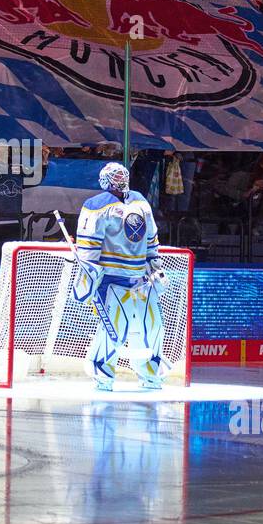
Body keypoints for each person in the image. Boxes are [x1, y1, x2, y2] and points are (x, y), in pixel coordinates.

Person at [71, 162, 168, 391]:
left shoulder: (139, 200)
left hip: (141, 279)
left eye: (121, 176)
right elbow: (88, 248)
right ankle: (103, 373)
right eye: (115, 177)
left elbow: (151, 236)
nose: (119, 181)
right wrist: (88, 279)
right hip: (111, 280)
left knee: (152, 327)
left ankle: (150, 372)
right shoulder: (95, 205)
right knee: (113, 330)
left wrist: (154, 265)